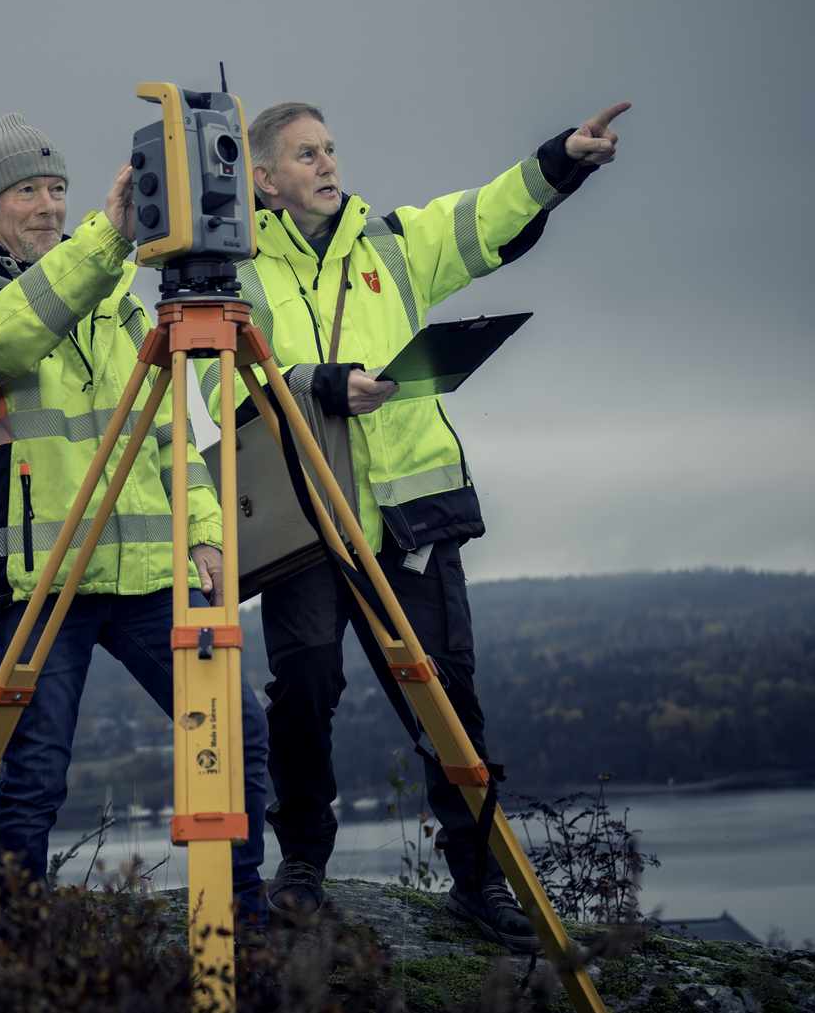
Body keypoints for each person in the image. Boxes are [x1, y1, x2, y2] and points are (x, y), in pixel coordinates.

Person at [219, 98, 629, 948]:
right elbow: (222, 387)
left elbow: (486, 216)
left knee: (446, 697)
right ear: (263, 179)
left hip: (411, 519)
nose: (328, 164)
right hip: (309, 523)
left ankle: (477, 879)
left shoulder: (393, 243)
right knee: (305, 688)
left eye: (331, 148)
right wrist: (324, 384)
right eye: (306, 154)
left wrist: (560, 160)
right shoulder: (237, 271)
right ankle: (303, 863)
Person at [0, 112, 271, 920]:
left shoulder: (114, 299)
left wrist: (204, 532)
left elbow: (171, 429)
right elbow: (7, 339)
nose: (48, 205)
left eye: (58, 189)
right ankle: (20, 945)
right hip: (37, 576)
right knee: (36, 770)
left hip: (146, 570)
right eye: (27, 191)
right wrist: (108, 239)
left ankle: (243, 917)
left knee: (235, 726)